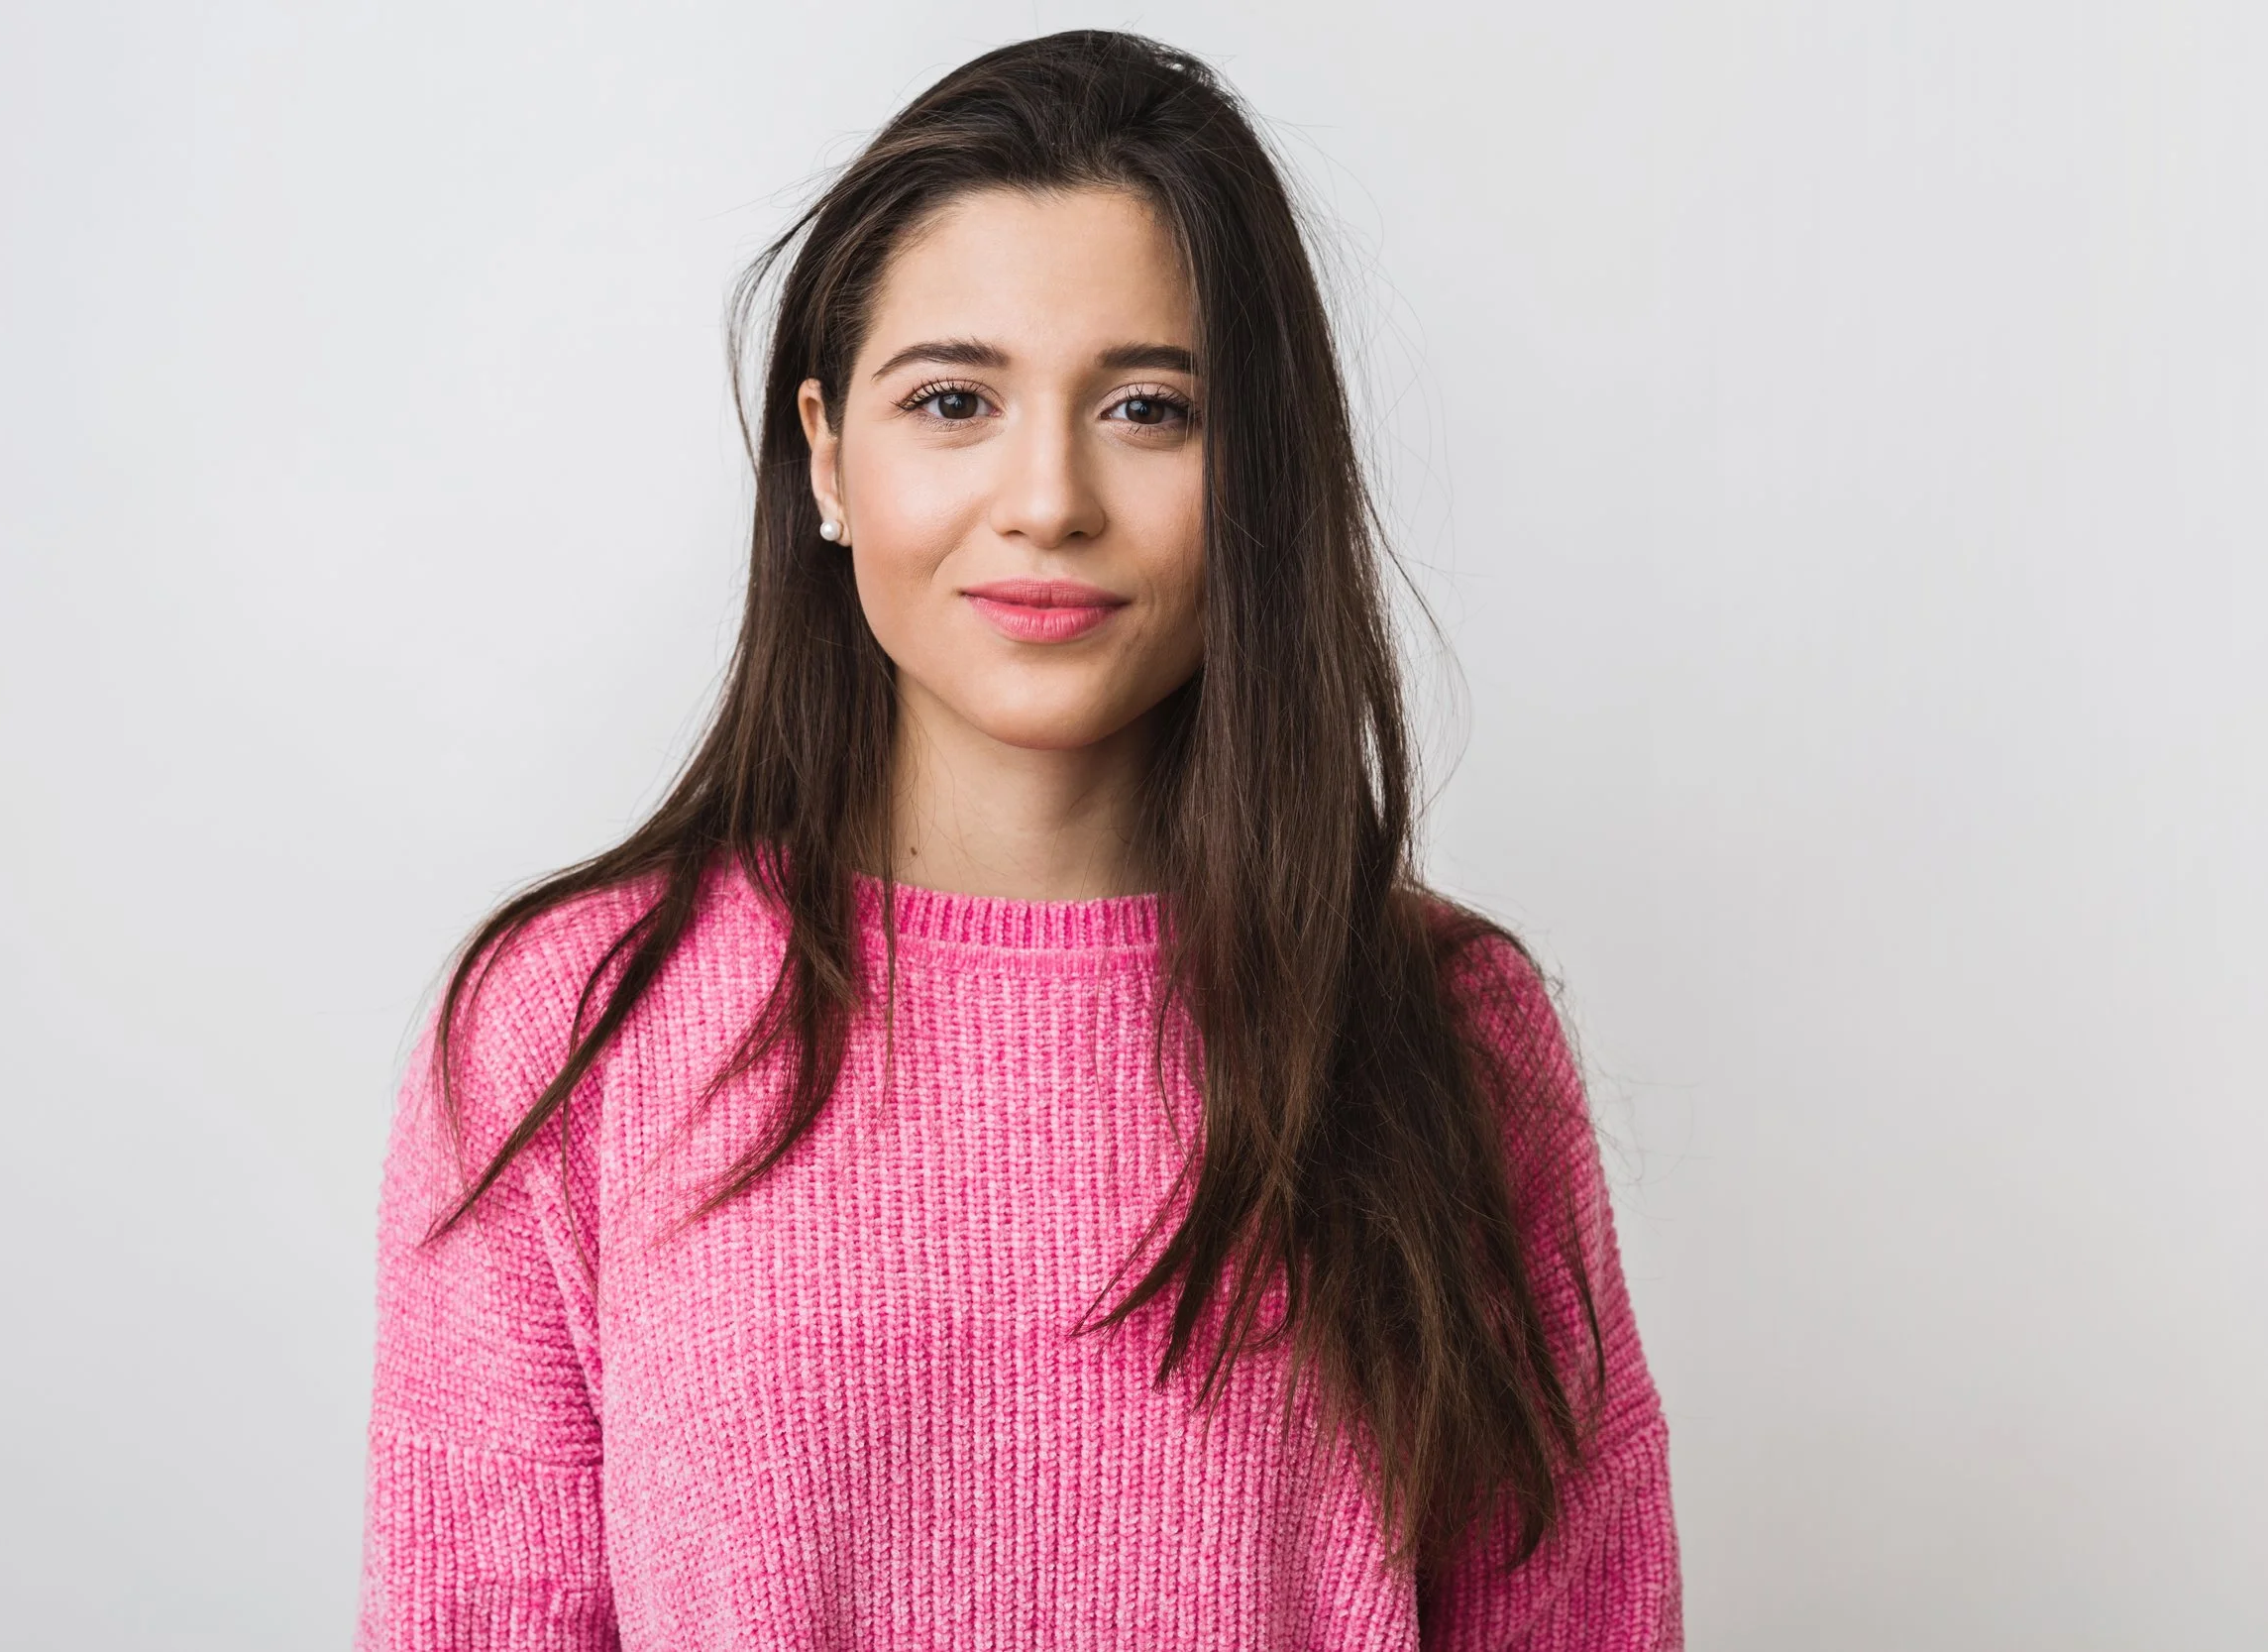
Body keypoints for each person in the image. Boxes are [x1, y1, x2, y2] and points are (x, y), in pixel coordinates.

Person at [357, 30, 1680, 1650]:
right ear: (831, 457)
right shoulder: (567, 1034)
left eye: (1147, 406)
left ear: (1257, 470)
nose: (1047, 497)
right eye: (955, 400)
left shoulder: (1447, 1034)